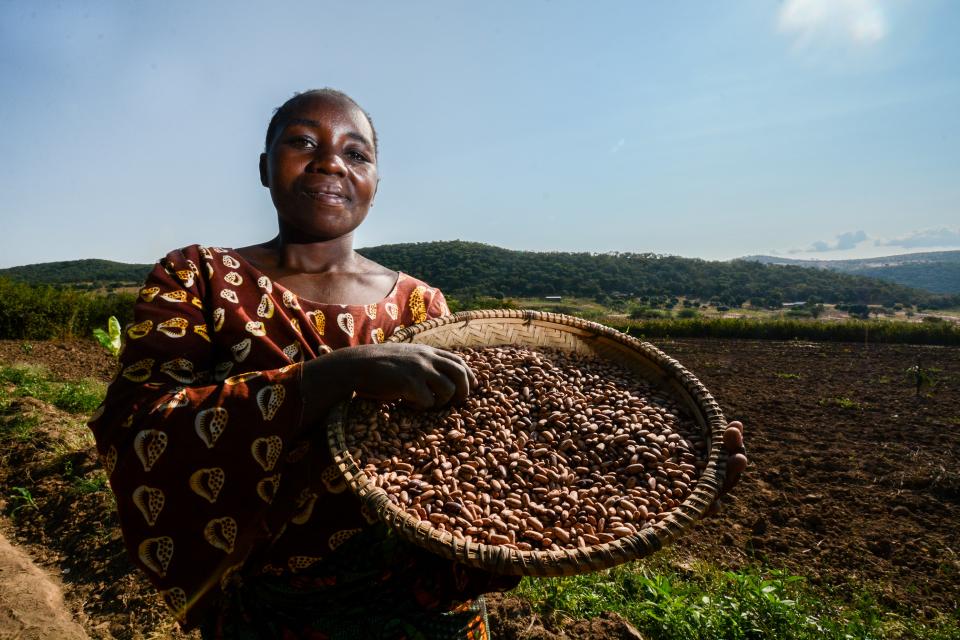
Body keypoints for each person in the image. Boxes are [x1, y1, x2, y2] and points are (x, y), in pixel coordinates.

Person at [88, 88, 747, 639]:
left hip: (437, 616)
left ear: (375, 182)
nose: (330, 163)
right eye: (302, 142)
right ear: (264, 166)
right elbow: (139, 432)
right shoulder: (200, 277)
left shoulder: (423, 305)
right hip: (277, 615)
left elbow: (479, 468)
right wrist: (329, 377)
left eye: (356, 152)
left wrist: (653, 494)